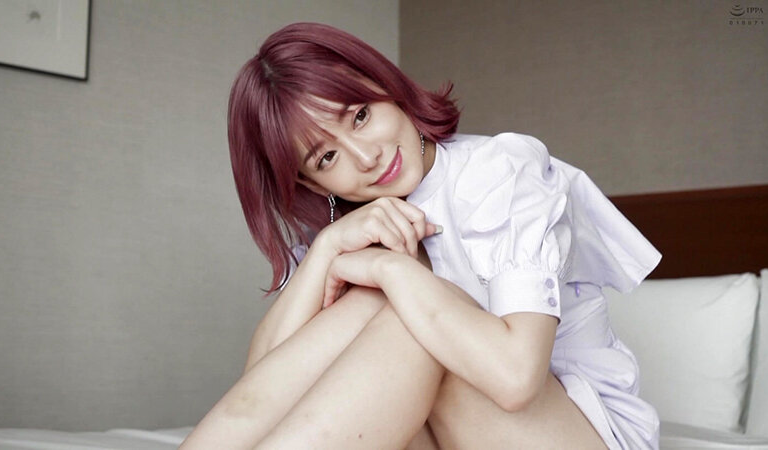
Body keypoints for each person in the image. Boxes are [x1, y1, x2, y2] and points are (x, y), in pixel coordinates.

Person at [180, 22, 662, 449]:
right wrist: (326, 249)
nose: (365, 156)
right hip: (448, 432)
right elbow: (268, 392)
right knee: (370, 306)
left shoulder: (499, 173)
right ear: (313, 184)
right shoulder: (350, 226)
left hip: (581, 432)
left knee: (401, 309)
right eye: (326, 158)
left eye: (360, 116)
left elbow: (515, 377)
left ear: (385, 87)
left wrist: (388, 269)